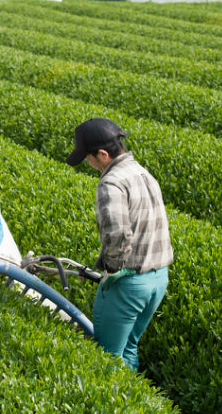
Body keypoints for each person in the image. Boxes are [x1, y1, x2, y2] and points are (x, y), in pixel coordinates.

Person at [66, 117, 173, 371]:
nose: (88, 163)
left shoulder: (111, 183)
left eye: (88, 158)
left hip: (130, 284)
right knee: (129, 348)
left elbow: (117, 234)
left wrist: (112, 271)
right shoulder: (142, 173)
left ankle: (110, 406)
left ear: (102, 154)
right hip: (158, 279)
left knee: (108, 356)